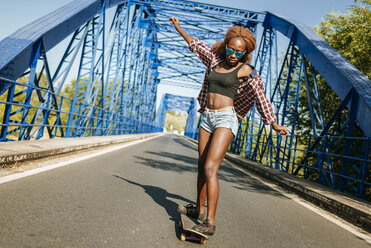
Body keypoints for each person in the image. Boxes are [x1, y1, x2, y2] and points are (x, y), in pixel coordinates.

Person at [169, 17, 288, 236]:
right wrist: (179, 29)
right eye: (231, 50)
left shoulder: (246, 72)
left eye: (239, 52)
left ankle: (209, 222)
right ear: (226, 47)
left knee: (211, 168)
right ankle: (198, 210)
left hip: (226, 119)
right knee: (201, 166)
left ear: (246, 53)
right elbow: (196, 45)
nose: (234, 55)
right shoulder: (215, 61)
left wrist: (273, 123)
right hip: (207, 117)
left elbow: (261, 98)